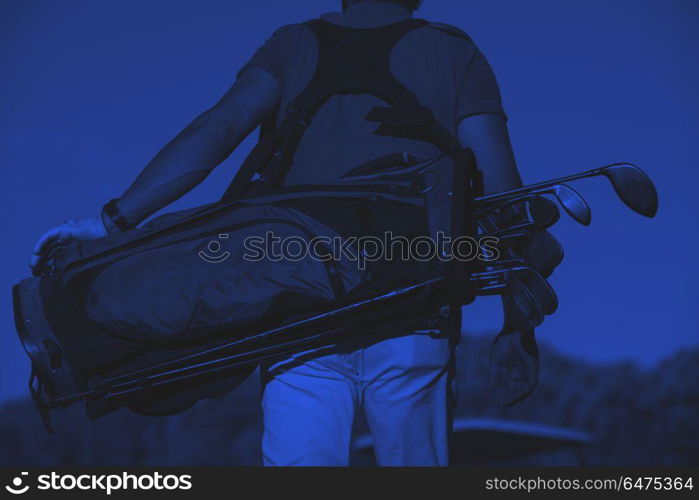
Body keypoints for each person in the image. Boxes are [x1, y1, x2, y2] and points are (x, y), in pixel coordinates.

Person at [30, 0, 539, 466]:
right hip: (415, 313)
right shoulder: (454, 51)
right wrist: (518, 325)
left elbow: (218, 130)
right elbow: (504, 196)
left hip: (296, 315)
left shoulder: (294, 44)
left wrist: (112, 221)